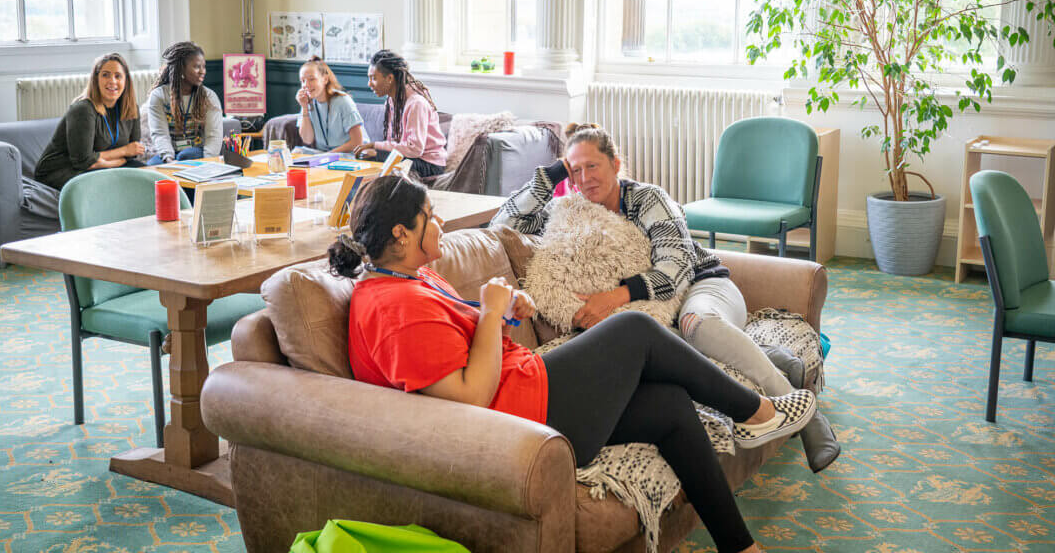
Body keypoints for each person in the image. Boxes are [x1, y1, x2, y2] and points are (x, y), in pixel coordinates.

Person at [330, 175, 819, 553]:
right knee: (634, 331)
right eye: (429, 216)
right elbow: (469, 399)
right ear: (401, 233)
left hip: (528, 391)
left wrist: (498, 315)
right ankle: (756, 412)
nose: (438, 224)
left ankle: (741, 545)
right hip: (523, 421)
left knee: (670, 405)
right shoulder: (394, 310)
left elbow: (462, 348)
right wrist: (491, 316)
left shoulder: (412, 280)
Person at [491, 123, 841, 473]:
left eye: (593, 166)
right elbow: (501, 225)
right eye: (575, 170)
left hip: (703, 287)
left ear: (615, 164)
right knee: (661, 349)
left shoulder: (647, 198)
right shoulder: (572, 211)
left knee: (696, 326)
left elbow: (676, 270)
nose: (585, 179)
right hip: (654, 315)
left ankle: (805, 417)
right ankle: (773, 357)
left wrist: (613, 298)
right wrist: (550, 176)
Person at [34, 53, 146, 190]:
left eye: (118, 76)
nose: (112, 81)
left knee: (147, 175)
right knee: (106, 185)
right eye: (105, 75)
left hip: (97, 166)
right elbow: (83, 161)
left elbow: (133, 152)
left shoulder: (131, 108)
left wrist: (103, 161)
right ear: (96, 79)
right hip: (60, 170)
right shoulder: (83, 109)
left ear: (126, 81)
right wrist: (122, 153)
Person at [353, 49, 447, 178]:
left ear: (390, 78)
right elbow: (395, 142)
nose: (369, 84)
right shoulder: (391, 101)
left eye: (373, 78)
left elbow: (414, 149)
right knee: (368, 160)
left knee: (379, 159)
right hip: (410, 158)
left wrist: (376, 147)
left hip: (429, 164)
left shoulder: (416, 104)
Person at [146, 41, 224, 165]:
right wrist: (169, 160)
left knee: (185, 155)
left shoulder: (209, 97)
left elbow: (214, 136)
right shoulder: (159, 96)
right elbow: (160, 134)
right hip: (169, 154)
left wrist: (208, 163)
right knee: (151, 167)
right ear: (181, 69)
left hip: (200, 153)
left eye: (204, 66)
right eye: (197, 66)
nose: (202, 71)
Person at [295, 56, 368, 154]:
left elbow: (357, 142)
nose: (306, 85)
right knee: (297, 152)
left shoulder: (343, 101)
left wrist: (328, 155)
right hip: (324, 154)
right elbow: (307, 139)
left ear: (325, 79)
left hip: (349, 154)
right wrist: (304, 107)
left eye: (311, 79)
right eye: (302, 81)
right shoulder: (308, 102)